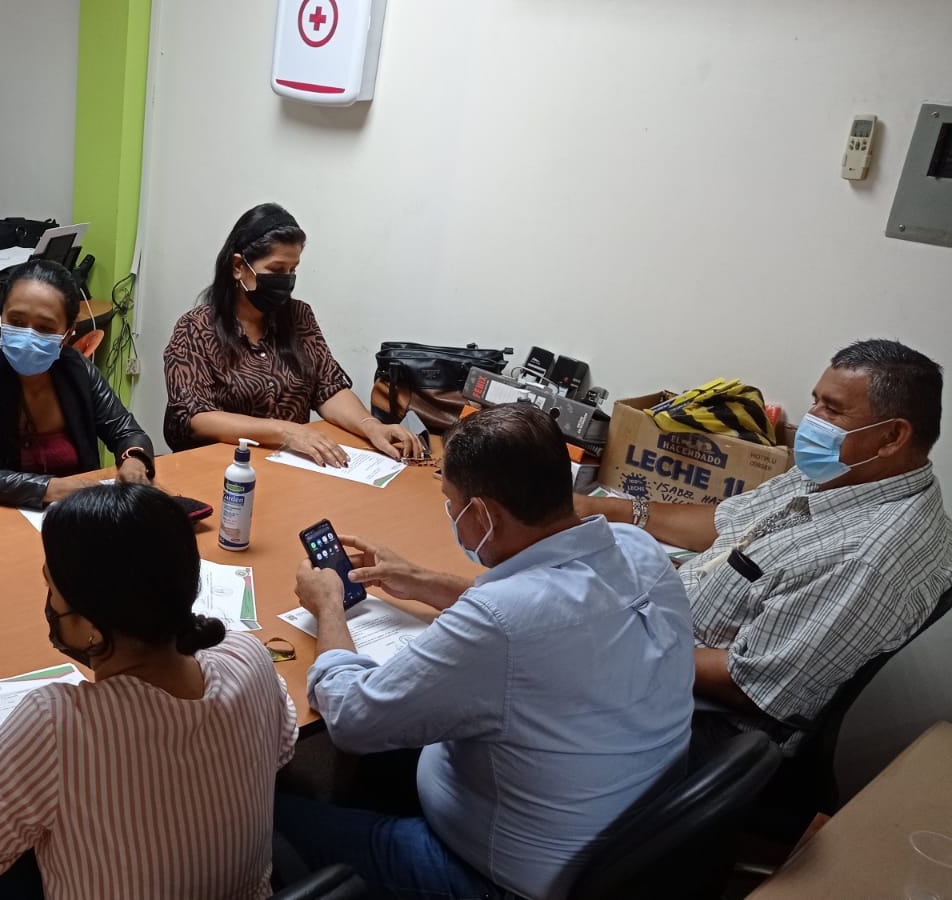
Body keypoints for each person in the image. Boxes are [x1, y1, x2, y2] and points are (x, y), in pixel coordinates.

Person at [279, 404, 695, 900]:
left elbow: (351, 719)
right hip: (616, 837)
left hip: (495, 878)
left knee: (265, 816)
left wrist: (328, 606)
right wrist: (424, 581)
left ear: (482, 514)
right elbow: (550, 607)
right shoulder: (638, 549)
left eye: (451, 503)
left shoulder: (500, 622)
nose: (451, 515)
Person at [0, 483, 298, 899]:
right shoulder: (247, 656)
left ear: (91, 626)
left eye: (52, 590)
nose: (49, 604)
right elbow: (284, 748)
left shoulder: (55, 726)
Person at [577, 339, 952, 753]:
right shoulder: (844, 473)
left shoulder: (866, 557)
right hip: (667, 627)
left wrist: (619, 644)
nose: (811, 420)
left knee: (535, 661)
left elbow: (747, 683)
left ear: (892, 436)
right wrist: (604, 509)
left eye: (832, 409)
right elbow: (727, 523)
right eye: (815, 401)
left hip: (696, 713)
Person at [162, 202, 422, 465]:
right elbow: (195, 417)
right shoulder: (195, 328)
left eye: (292, 270)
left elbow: (329, 389)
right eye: (276, 270)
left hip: (291, 467)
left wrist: (370, 425)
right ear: (239, 266)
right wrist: (284, 431)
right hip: (223, 467)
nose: (286, 280)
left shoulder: (300, 317)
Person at [0, 259, 157, 508]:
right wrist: (49, 488)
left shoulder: (77, 370)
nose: (28, 335)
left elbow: (128, 433)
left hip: (74, 514)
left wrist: (135, 460)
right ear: (0, 317)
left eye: (44, 328)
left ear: (67, 333)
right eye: (16, 322)